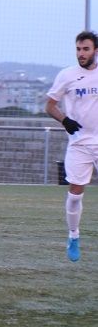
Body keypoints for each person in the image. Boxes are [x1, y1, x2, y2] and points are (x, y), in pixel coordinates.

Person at [45, 30, 98, 262]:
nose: (81, 53)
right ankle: (73, 235)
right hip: (79, 145)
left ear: (95, 50)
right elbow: (50, 106)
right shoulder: (67, 75)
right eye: (78, 49)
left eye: (86, 49)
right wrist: (64, 120)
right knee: (75, 195)